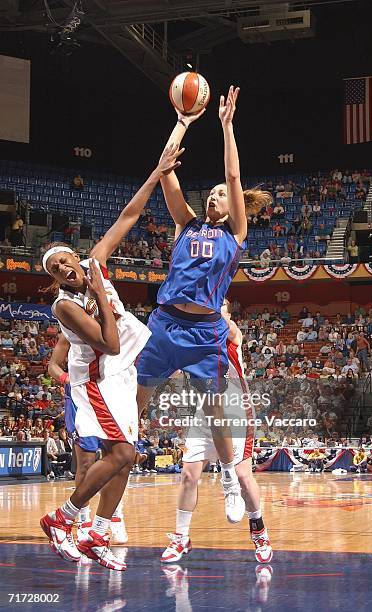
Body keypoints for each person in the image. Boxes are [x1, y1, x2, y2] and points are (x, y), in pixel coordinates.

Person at [39, 143, 183, 570]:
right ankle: (62, 519)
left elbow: (128, 216)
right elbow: (110, 344)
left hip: (122, 375)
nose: (65, 267)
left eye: (67, 260)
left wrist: (157, 173)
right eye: (55, 269)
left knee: (129, 458)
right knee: (118, 455)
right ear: (55, 280)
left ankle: (97, 534)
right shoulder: (65, 306)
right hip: (97, 381)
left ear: (76, 259)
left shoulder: (95, 260)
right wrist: (100, 291)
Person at [136, 86, 271, 523]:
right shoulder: (185, 224)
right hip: (164, 324)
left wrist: (227, 127)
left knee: (216, 413)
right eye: (210, 194)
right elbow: (165, 172)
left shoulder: (234, 234)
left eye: (220, 194)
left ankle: (231, 476)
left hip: (205, 331)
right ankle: (112, 490)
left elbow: (233, 178)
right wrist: (181, 123)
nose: (215, 197)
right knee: (133, 403)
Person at [161, 300, 272, 564]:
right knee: (188, 474)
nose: (210, 308)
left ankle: (259, 530)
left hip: (236, 410)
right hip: (204, 411)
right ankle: (181, 537)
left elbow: (226, 328)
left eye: (218, 305)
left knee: (244, 476)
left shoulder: (231, 332)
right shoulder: (194, 337)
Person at [49, 333, 129, 545]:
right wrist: (67, 379)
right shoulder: (70, 330)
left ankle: (114, 514)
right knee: (85, 463)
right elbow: (53, 366)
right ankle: (83, 520)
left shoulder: (116, 328)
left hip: (111, 395)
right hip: (80, 397)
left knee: (118, 458)